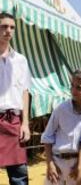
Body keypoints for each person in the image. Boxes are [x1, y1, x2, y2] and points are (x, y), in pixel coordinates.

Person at [41, 69, 81, 185]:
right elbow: (47, 137)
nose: (73, 90)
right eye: (72, 86)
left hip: (80, 166)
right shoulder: (61, 109)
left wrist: (80, 165)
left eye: (79, 88)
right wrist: (50, 163)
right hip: (57, 163)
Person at [0, 12, 31, 185]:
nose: (8, 31)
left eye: (11, 27)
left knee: (19, 175)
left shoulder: (21, 60)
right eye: (4, 26)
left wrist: (25, 123)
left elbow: (24, 92)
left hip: (14, 120)